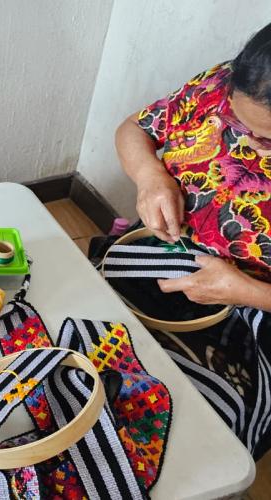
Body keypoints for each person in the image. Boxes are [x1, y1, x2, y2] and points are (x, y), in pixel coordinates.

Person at [115, 22, 271, 457]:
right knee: (83, 331)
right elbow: (134, 129)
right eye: (240, 124)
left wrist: (249, 292)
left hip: (257, 311)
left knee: (183, 426)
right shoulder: (221, 88)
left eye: (268, 140)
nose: (252, 145)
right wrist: (150, 178)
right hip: (170, 251)